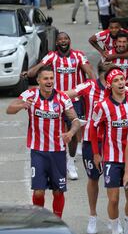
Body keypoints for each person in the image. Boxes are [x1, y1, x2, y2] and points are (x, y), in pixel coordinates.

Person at [6, 65, 81, 218]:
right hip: (38, 151)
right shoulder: (30, 94)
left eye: (51, 78)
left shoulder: (62, 98)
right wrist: (21, 105)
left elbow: (75, 120)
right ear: (38, 81)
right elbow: (9, 109)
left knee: (58, 190)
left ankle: (56, 222)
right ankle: (38, 220)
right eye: (46, 78)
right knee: (39, 192)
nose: (49, 81)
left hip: (58, 151)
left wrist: (71, 132)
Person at [26, 32, 96, 180]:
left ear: (69, 41)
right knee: (57, 131)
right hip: (55, 100)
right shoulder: (52, 56)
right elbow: (35, 71)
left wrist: (93, 88)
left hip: (74, 101)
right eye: (60, 39)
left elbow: (90, 73)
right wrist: (30, 72)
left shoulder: (78, 55)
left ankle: (70, 163)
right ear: (57, 43)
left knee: (73, 130)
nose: (63, 41)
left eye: (66, 39)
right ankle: (57, 159)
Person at [91, 68, 128, 234]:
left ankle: (127, 229)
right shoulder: (102, 106)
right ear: (109, 85)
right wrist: (96, 153)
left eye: (122, 79)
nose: (120, 83)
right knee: (113, 199)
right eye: (116, 80)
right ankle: (114, 228)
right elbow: (93, 128)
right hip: (112, 158)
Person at [65, 61, 113, 234]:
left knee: (112, 182)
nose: (114, 77)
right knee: (93, 179)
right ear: (101, 73)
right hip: (90, 140)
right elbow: (66, 95)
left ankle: (112, 219)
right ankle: (93, 216)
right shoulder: (89, 86)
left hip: (112, 141)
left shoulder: (120, 86)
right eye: (110, 73)